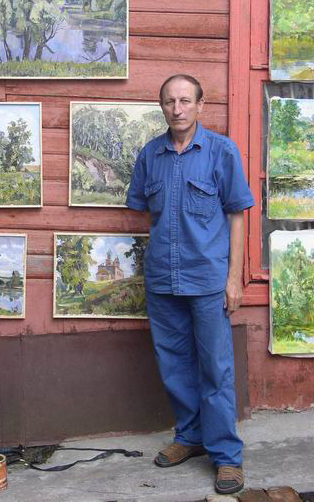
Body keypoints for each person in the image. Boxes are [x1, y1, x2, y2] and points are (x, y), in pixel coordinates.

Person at [126, 74, 254, 496]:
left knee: (216, 369)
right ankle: (190, 436)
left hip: (208, 281)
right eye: (169, 101)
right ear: (161, 107)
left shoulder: (222, 151)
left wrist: (232, 278)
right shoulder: (150, 155)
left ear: (201, 105)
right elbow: (148, 214)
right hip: (163, 280)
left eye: (185, 100)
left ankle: (226, 457)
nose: (177, 108)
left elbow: (237, 214)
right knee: (174, 364)